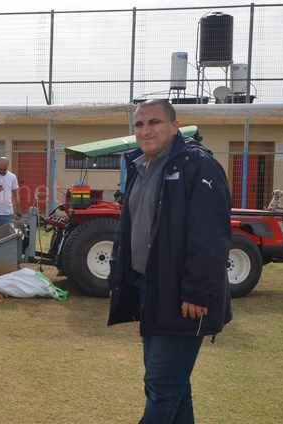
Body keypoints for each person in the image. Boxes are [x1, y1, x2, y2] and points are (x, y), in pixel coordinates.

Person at [107, 99, 232, 423]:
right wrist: (117, 279)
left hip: (183, 296)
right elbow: (126, 230)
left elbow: (210, 234)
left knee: (161, 387)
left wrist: (197, 291)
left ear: (175, 127)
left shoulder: (197, 165)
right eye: (139, 124)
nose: (145, 130)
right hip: (150, 289)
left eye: (154, 122)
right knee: (172, 384)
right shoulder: (140, 166)